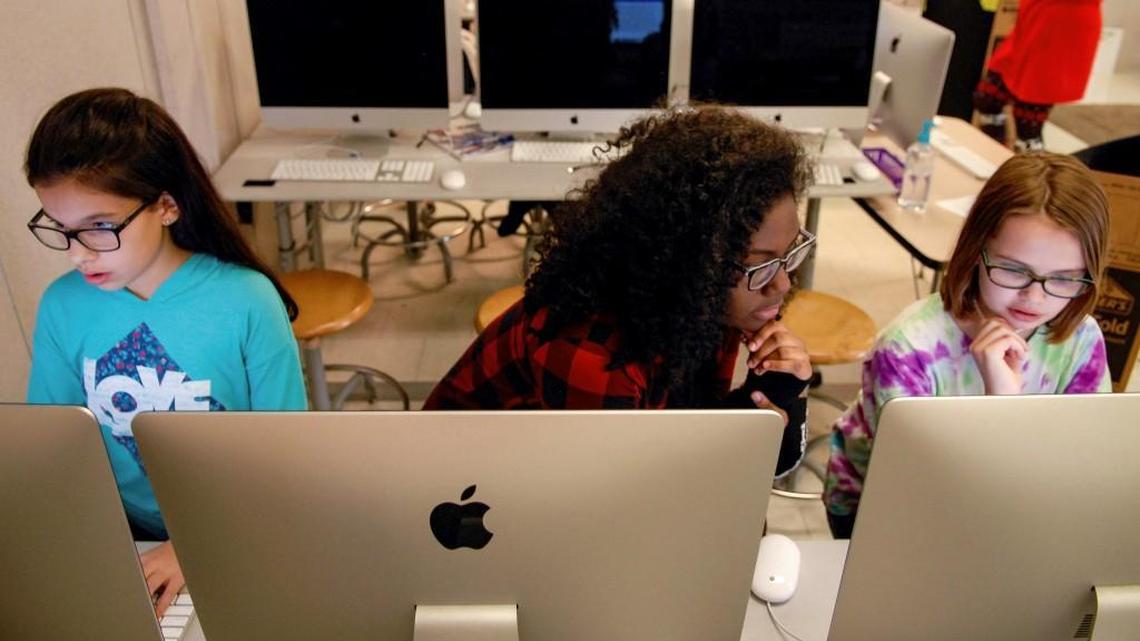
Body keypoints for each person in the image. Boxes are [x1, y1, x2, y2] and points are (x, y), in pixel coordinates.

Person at [24, 88, 307, 615]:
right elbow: (55, 449)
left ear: (167, 206)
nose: (77, 255)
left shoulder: (246, 300)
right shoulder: (63, 305)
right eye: (62, 229)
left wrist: (193, 545)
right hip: (125, 538)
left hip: (239, 524)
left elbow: (285, 452)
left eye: (99, 227)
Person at [424, 106, 815, 477]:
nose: (782, 284)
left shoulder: (705, 306)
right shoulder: (592, 356)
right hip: (458, 490)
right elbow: (632, 493)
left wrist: (775, 391)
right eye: (760, 265)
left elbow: (692, 438)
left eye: (790, 254)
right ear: (687, 262)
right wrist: (753, 424)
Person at [824, 151, 1111, 538]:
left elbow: (1083, 463)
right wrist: (1000, 409)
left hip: (1006, 504)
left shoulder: (1081, 339)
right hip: (884, 504)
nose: (1034, 297)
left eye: (1064, 278)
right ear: (976, 251)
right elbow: (925, 488)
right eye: (1013, 269)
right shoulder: (908, 348)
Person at [972, 0, 1102, 152]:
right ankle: (995, 154)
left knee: (1028, 120)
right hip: (1034, 19)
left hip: (1060, 25)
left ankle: (1027, 163)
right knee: (988, 97)